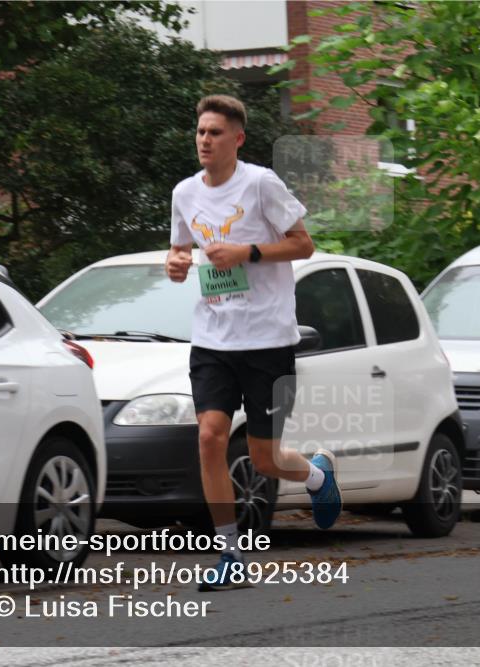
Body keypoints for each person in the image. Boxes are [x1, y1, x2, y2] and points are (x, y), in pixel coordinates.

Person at [166, 95, 342, 592]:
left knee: (265, 459)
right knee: (210, 438)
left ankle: (317, 476)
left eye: (215, 132)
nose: (205, 140)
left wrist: (248, 251)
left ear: (237, 139)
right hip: (212, 338)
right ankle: (230, 553)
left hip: (268, 339)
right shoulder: (185, 193)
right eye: (200, 131)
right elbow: (179, 250)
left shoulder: (261, 183)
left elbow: (303, 244)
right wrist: (175, 264)